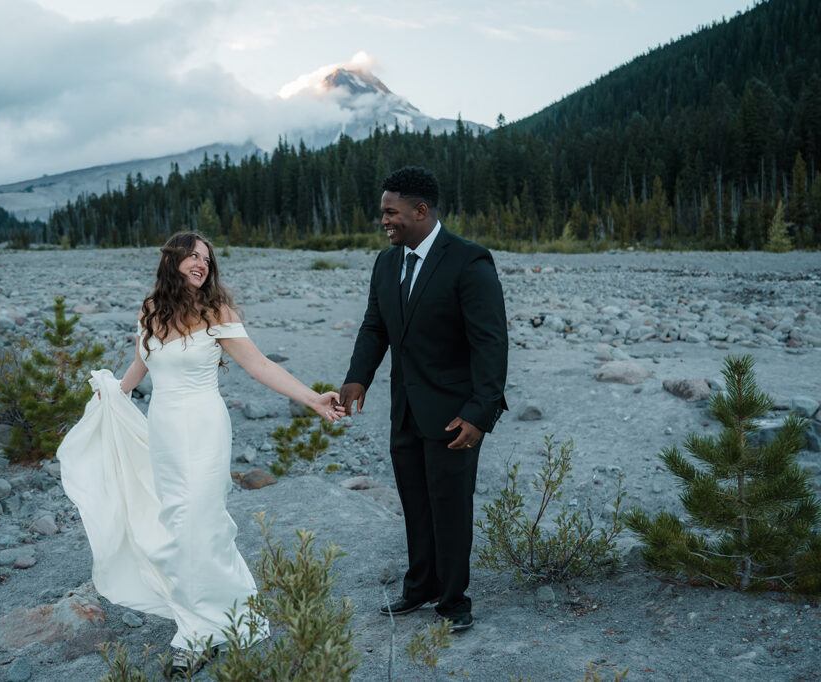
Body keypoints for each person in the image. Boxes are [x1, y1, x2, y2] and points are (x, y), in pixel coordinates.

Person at [57, 232, 344, 678]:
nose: (201, 264)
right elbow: (142, 363)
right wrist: (115, 394)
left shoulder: (217, 312)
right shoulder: (151, 310)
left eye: (206, 259)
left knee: (198, 522)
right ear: (172, 260)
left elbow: (260, 365)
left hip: (204, 428)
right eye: (192, 256)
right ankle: (221, 611)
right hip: (165, 431)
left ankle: (198, 634)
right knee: (177, 521)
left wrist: (313, 399)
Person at [339, 166, 508, 633]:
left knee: (451, 506)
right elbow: (375, 326)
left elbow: (490, 344)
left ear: (421, 210)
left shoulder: (469, 261)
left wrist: (480, 412)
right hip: (406, 410)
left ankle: (454, 599)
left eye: (391, 213)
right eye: (382, 213)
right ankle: (420, 587)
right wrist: (358, 378)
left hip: (456, 414)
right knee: (415, 502)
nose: (385, 221)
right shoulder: (386, 262)